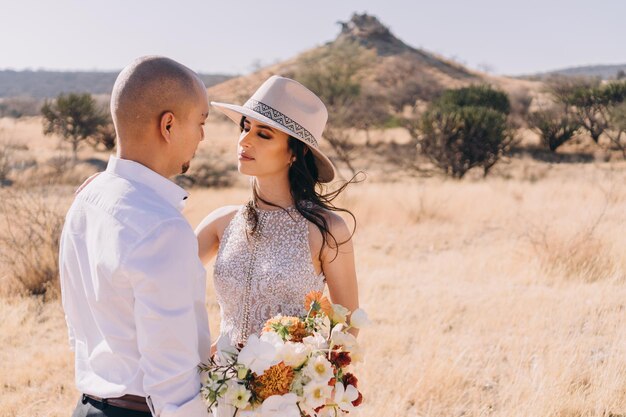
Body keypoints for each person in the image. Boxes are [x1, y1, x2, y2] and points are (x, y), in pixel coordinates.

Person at [59, 56, 212, 417]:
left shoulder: (87, 197)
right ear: (169, 125)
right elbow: (172, 381)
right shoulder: (162, 228)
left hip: (86, 406)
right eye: (201, 122)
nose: (203, 137)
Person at [195, 75, 359, 349]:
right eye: (245, 128)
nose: (245, 140)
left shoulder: (327, 230)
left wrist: (304, 378)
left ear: (295, 153)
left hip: (290, 390)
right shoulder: (221, 223)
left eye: (263, 134)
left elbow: (348, 326)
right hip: (220, 385)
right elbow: (158, 276)